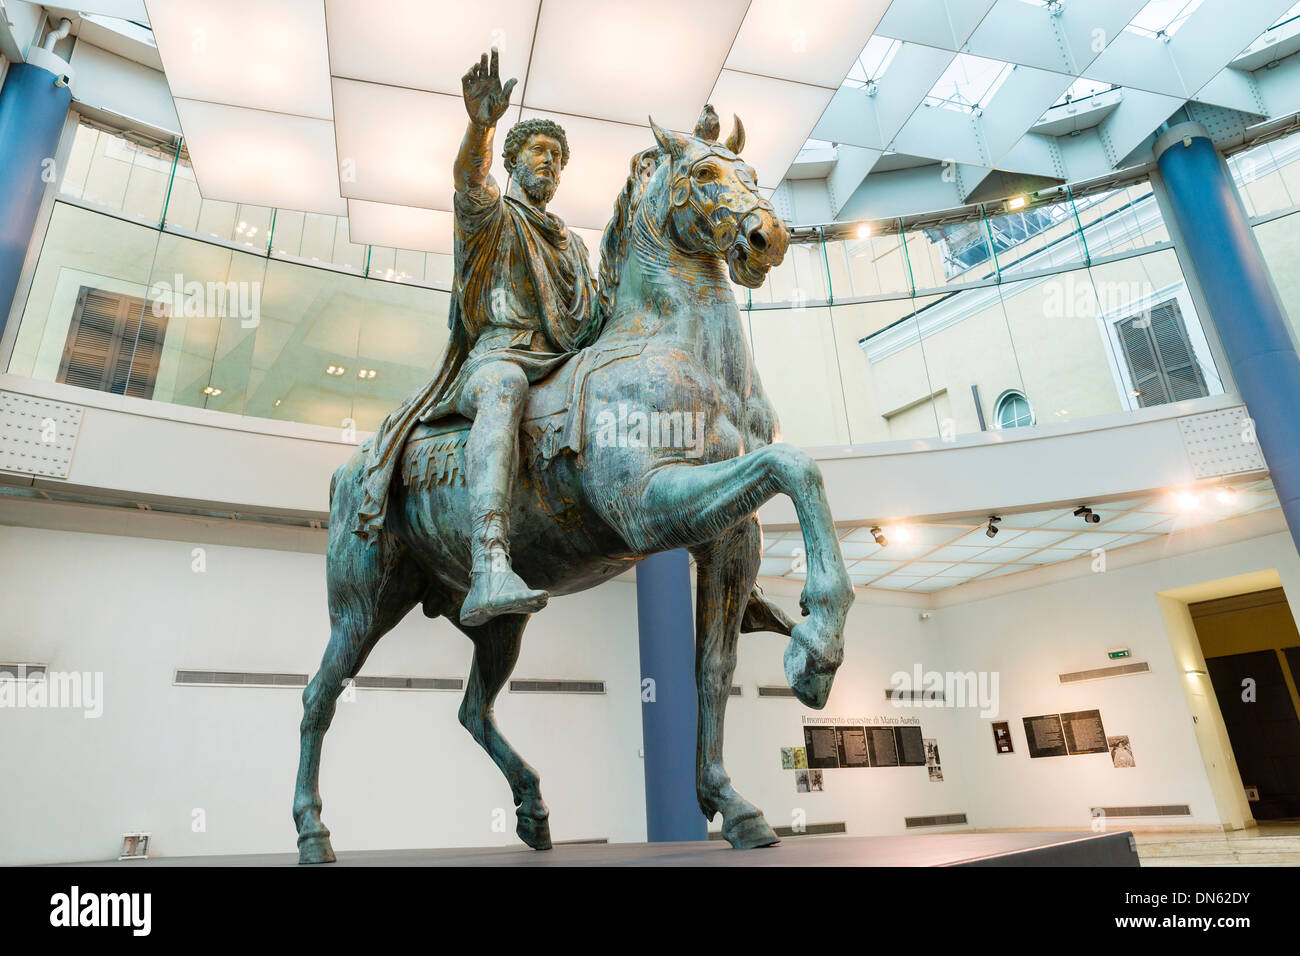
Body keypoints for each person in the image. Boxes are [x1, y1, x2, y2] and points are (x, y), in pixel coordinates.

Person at [354, 48, 601, 627]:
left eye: (559, 158)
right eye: (540, 152)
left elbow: (590, 320)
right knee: (504, 388)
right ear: (514, 162)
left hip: (561, 361)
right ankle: (490, 561)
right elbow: (468, 176)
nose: (551, 164)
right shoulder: (491, 216)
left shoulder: (572, 244)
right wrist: (482, 125)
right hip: (496, 358)